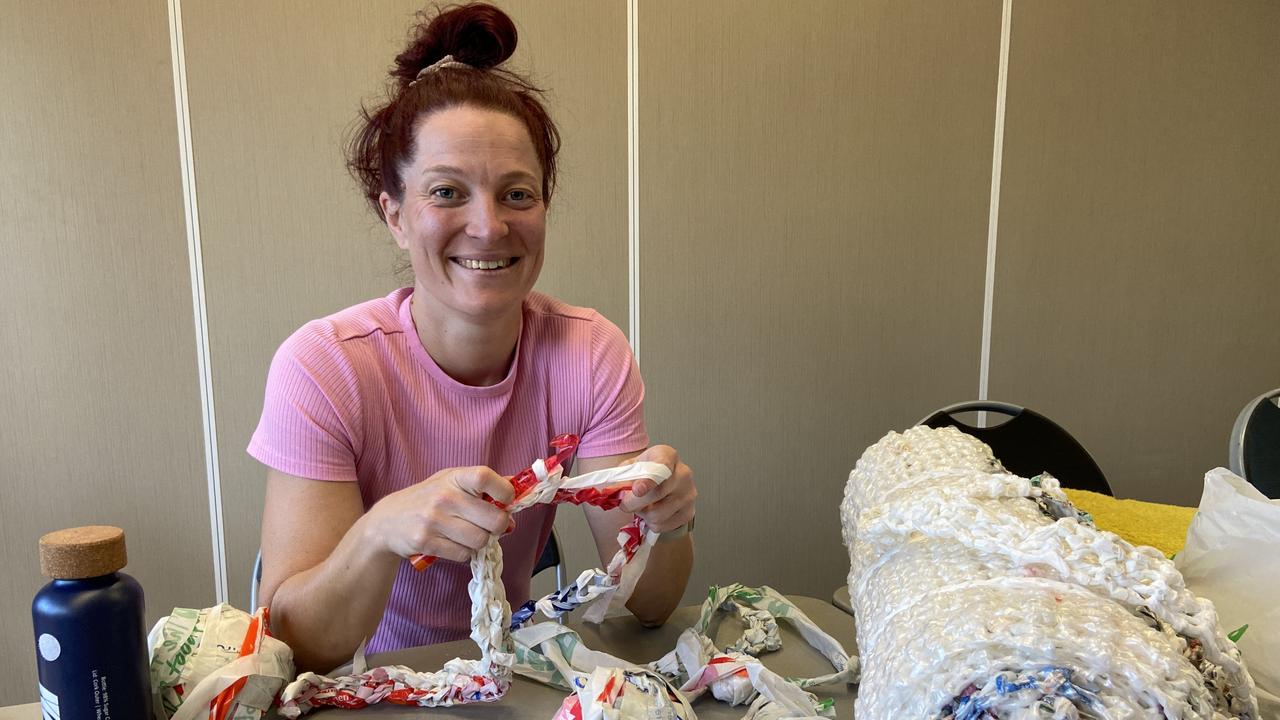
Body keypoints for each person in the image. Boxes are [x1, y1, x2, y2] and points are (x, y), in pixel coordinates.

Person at [248, 3, 696, 673]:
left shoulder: (590, 354)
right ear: (395, 215)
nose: (488, 227)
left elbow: (648, 607)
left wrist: (668, 522)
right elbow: (298, 642)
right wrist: (378, 532)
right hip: (362, 682)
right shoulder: (324, 367)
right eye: (448, 192)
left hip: (505, 678)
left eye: (518, 194)